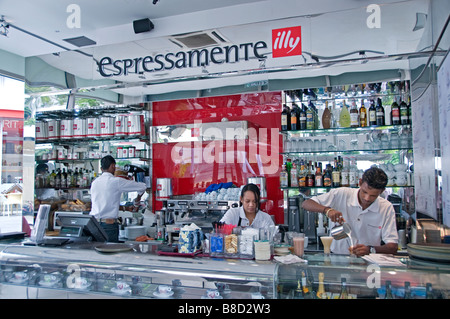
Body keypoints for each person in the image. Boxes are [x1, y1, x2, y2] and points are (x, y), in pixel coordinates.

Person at [302, 166, 398, 256]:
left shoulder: (386, 207)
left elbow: (392, 247)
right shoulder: (342, 194)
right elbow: (306, 203)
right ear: (360, 183)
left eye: (373, 195)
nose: (367, 198)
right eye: (364, 192)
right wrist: (327, 210)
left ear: (382, 191)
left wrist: (371, 249)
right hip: (337, 258)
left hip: (369, 263)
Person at [90, 155, 147, 242]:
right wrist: (137, 200)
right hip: (108, 226)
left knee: (97, 254)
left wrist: (126, 208)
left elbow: (105, 203)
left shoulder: (95, 182)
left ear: (101, 168)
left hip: (94, 224)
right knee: (111, 253)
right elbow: (143, 186)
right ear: (113, 166)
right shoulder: (116, 181)